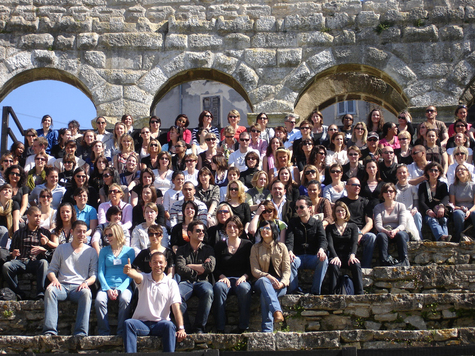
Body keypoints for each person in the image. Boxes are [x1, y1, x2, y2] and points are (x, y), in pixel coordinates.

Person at [123, 252, 186, 353]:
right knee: (128, 323)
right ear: (150, 264)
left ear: (165, 264)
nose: (158, 265)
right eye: (155, 262)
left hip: (161, 324)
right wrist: (129, 272)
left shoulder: (171, 283)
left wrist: (181, 328)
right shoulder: (144, 278)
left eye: (160, 262)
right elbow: (136, 276)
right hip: (141, 323)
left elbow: (176, 307)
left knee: (169, 326)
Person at [43, 220, 98, 336]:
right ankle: (50, 331)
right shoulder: (61, 249)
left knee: (87, 294)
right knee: (50, 290)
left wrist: (86, 283)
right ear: (72, 232)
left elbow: (93, 275)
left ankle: (81, 332)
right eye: (79, 231)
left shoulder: (91, 251)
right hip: (61, 286)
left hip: (78, 287)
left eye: (84, 232)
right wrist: (54, 280)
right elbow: (51, 270)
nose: (82, 234)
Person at [213, 216, 252, 333]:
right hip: (225, 280)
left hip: (242, 279)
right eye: (229, 226)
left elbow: (252, 266)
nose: (232, 228)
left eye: (235, 226)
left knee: (245, 289)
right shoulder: (219, 245)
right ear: (225, 229)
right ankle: (220, 327)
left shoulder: (247, 245)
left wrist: (244, 277)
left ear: (240, 229)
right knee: (218, 288)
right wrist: (222, 277)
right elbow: (215, 267)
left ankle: (243, 326)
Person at [95, 222, 135, 336]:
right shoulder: (104, 251)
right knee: (99, 301)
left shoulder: (129, 251)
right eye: (106, 235)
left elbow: (130, 274)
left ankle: (121, 331)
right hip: (106, 285)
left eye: (110, 235)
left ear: (117, 234)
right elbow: (101, 272)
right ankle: (104, 331)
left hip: (124, 285)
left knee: (125, 300)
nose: (108, 238)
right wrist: (107, 289)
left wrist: (119, 289)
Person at [2, 206, 50, 300]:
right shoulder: (19, 233)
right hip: (21, 261)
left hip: (36, 262)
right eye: (36, 216)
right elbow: (11, 252)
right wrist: (13, 254)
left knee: (44, 263)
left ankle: (40, 293)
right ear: (28, 216)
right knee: (6, 266)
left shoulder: (44, 232)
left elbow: (50, 253)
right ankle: (18, 292)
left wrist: (43, 249)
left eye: (40, 216)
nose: (38, 218)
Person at [176, 220, 215, 334]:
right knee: (177, 296)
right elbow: (180, 268)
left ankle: (199, 328)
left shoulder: (208, 249)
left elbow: (210, 268)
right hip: (186, 282)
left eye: (203, 231)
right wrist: (200, 269)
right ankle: (185, 327)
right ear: (189, 233)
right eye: (198, 231)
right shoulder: (182, 250)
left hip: (203, 281)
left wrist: (191, 266)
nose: (201, 233)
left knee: (208, 293)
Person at [250, 219, 290, 331]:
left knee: (265, 294)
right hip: (260, 281)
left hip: (279, 284)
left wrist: (282, 283)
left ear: (273, 230)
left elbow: (287, 270)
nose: (264, 231)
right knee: (264, 282)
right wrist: (268, 276)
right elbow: (255, 270)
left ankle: (267, 329)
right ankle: (277, 311)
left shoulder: (282, 247)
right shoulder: (255, 248)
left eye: (267, 228)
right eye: (262, 228)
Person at [286, 196, 328, 295]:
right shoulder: (293, 223)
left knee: (324, 260)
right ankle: (294, 290)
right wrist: (290, 251)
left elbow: (323, 239)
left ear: (309, 208)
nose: (298, 210)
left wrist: (321, 250)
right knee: (289, 260)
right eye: (296, 208)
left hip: (313, 256)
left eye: (301, 207)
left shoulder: (317, 223)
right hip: (298, 257)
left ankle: (315, 291)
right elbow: (289, 240)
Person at [337, 178, 377, 268]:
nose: (357, 187)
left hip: (360, 232)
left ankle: (365, 267)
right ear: (347, 186)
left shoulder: (365, 202)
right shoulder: (341, 202)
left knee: (371, 237)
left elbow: (370, 223)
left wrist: (360, 233)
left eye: (359, 185)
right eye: (354, 185)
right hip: (345, 231)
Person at [326, 201, 363, 294]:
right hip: (336, 255)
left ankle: (360, 293)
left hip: (348, 256)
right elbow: (329, 244)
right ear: (334, 213)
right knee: (333, 266)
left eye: (342, 211)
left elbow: (355, 243)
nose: (340, 213)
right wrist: (334, 256)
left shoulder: (353, 226)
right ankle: (333, 294)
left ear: (346, 212)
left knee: (356, 265)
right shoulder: (330, 228)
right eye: (338, 211)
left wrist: (352, 255)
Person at [374, 183, 410, 266]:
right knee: (381, 236)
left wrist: (395, 230)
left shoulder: (401, 206)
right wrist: (386, 231)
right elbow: (378, 225)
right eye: (385, 191)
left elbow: (403, 224)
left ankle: (404, 260)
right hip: (385, 231)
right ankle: (384, 261)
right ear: (382, 194)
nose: (388, 193)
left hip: (399, 231)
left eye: (391, 191)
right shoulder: (378, 207)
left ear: (394, 193)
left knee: (401, 235)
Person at [418, 162, 450, 241]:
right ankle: (442, 237)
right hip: (428, 213)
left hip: (440, 211)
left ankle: (445, 238)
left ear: (439, 173)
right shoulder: (422, 186)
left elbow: (446, 197)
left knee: (444, 220)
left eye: (436, 170)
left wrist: (442, 207)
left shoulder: (443, 185)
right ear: (427, 172)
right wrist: (428, 211)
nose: (433, 172)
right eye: (431, 170)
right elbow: (421, 201)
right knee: (432, 220)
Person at [395, 164, 422, 240]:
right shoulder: (393, 189)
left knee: (417, 215)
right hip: (398, 213)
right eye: (399, 173)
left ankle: (419, 238)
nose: (402, 175)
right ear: (396, 175)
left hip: (411, 212)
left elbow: (416, 203)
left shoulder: (412, 188)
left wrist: (415, 209)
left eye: (404, 172)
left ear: (408, 174)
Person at [449, 164, 475, 242]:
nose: (459, 171)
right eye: (457, 170)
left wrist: (469, 211)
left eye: (462, 169)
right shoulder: (453, 186)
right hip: (459, 208)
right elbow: (452, 205)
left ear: (467, 172)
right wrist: (461, 208)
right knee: (458, 214)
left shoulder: (473, 186)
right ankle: (458, 237)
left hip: (471, 208)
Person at [0, 183, 20, 248]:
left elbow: (16, 222)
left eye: (10, 191)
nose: (7, 192)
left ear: (11, 195)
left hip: (9, 234)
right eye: (5, 189)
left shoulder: (14, 204)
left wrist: (16, 237)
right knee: (3, 230)